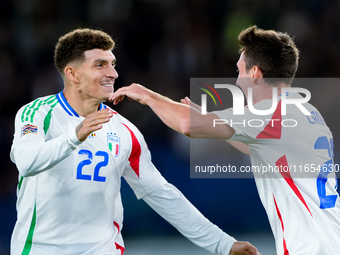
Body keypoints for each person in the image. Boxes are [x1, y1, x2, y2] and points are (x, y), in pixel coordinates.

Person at [10, 28, 260, 255]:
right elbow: (26, 162)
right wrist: (75, 136)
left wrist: (222, 244)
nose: (113, 73)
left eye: (113, 64)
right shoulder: (38, 114)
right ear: (72, 73)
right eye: (100, 65)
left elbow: (160, 193)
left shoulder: (124, 130)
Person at [111, 25, 340, 254]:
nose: (238, 81)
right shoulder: (308, 113)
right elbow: (260, 149)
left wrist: (147, 96)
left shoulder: (270, 111)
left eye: (240, 71)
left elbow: (187, 125)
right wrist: (215, 126)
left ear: (255, 73)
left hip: (310, 247)